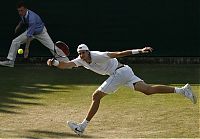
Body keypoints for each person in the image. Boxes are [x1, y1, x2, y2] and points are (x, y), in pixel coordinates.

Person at [47, 44, 197, 136]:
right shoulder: (80, 61)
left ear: (88, 52)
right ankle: (183, 90)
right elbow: (65, 65)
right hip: (125, 72)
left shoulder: (98, 55)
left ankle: (81, 127)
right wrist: (54, 63)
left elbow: (119, 54)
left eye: (83, 52)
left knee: (96, 96)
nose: (81, 55)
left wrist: (140, 50)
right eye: (79, 53)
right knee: (148, 90)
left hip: (119, 73)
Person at [0, 1, 68, 67]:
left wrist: (26, 49)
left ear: (26, 9)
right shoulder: (23, 13)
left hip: (41, 33)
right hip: (31, 31)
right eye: (19, 11)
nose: (20, 13)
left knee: (52, 47)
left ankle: (67, 62)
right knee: (15, 41)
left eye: (21, 10)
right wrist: (18, 26)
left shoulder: (32, 18)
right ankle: (10, 62)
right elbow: (23, 20)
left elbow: (29, 36)